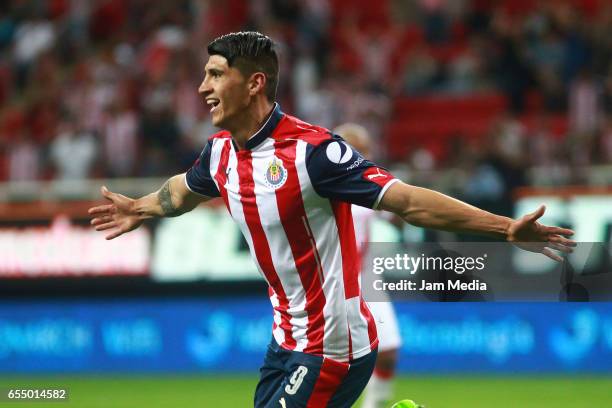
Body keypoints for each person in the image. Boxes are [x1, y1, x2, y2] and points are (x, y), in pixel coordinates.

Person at [89, 32, 575, 408]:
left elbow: (406, 201)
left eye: (216, 75)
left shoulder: (314, 152)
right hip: (283, 340)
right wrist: (142, 206)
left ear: (254, 82)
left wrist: (504, 228)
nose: (203, 87)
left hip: (331, 344)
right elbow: (181, 191)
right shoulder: (219, 154)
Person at [335, 123, 402, 408]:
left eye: (366, 150)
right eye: (359, 149)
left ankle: (373, 405)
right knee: (335, 358)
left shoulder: (368, 187)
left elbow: (395, 213)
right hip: (335, 282)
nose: (365, 155)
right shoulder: (326, 190)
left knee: (388, 351)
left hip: (367, 279)